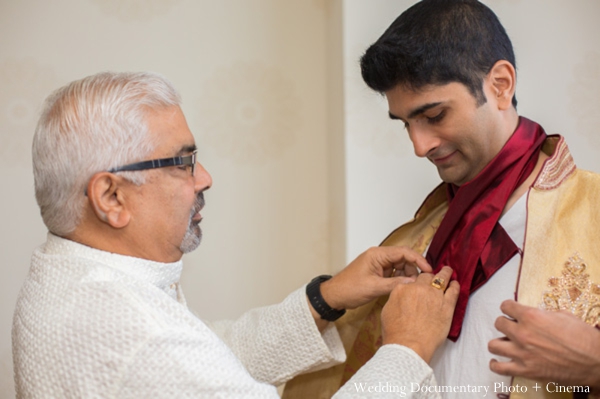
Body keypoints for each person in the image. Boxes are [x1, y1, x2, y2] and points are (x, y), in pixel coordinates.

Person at [12, 71, 460, 398]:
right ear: (111, 197)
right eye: (182, 162)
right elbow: (176, 358)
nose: (204, 178)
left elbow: (209, 359)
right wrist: (407, 348)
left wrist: (326, 298)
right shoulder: (129, 331)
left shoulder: (72, 275)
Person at [282, 1, 600, 398]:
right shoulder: (409, 243)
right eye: (405, 124)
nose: (419, 146)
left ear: (500, 85)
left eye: (433, 116)